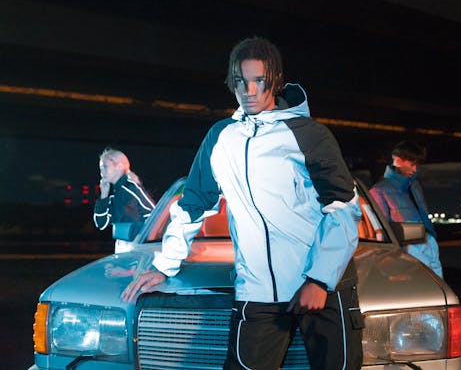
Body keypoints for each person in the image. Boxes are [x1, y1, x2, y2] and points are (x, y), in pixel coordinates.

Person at [122, 37, 363, 370]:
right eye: (240, 81)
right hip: (258, 292)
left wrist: (319, 280)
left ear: (274, 81)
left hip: (323, 288)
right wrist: (165, 265)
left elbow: (343, 207)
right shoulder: (221, 137)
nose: (249, 90)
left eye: (258, 81)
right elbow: (193, 203)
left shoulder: (309, 134)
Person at [369, 140, 443, 278]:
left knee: (438, 292)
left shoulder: (414, 186)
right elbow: (382, 231)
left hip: (429, 243)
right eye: (412, 164)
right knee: (422, 290)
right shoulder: (378, 191)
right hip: (409, 248)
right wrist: (401, 252)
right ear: (398, 161)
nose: (415, 169)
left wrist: (431, 238)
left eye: (417, 165)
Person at [93, 148, 156, 253]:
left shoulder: (131, 188)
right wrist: (103, 195)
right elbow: (101, 224)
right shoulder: (114, 193)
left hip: (136, 250)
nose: (101, 172)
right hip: (123, 248)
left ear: (119, 167)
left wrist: (137, 236)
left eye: (105, 167)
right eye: (100, 168)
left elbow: (155, 215)